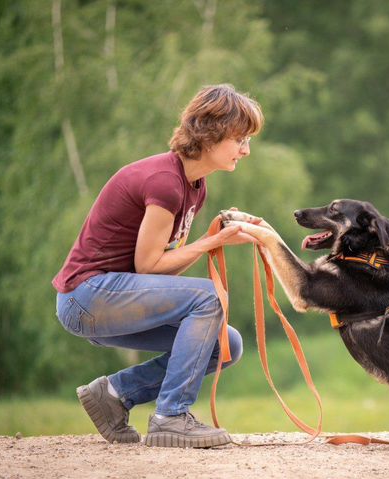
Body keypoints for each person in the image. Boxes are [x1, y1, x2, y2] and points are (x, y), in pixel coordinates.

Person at [52, 84, 263, 448]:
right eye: (240, 139)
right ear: (211, 134)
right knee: (210, 296)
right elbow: (148, 265)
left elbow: (159, 272)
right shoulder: (165, 182)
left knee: (225, 343)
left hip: (111, 300)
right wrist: (213, 242)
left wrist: (214, 233)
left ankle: (115, 394)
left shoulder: (194, 186)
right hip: (84, 298)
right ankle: (171, 417)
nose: (246, 150)